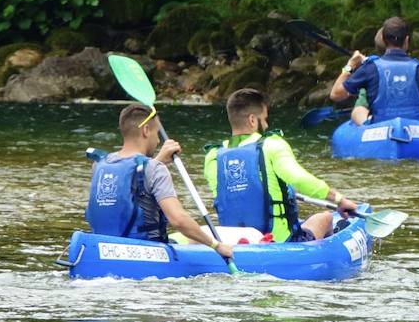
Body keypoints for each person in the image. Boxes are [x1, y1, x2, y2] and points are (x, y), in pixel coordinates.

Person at [205, 88, 361, 241]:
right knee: (325, 218)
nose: (266, 125)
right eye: (265, 119)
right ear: (252, 120)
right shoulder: (272, 144)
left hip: (233, 243)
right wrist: (339, 199)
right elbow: (300, 179)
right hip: (279, 242)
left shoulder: (214, 155)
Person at [85, 103, 234, 259]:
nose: (157, 141)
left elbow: (130, 187)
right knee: (200, 236)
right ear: (146, 130)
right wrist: (216, 245)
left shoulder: (100, 165)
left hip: (101, 250)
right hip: (144, 253)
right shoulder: (154, 169)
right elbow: (179, 220)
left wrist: (157, 162)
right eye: (156, 133)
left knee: (189, 237)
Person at [330, 17, 419, 124]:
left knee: (358, 110)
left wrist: (350, 65)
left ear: (384, 40)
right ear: (407, 40)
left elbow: (335, 95)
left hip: (381, 124)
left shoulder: (369, 67)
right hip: (415, 124)